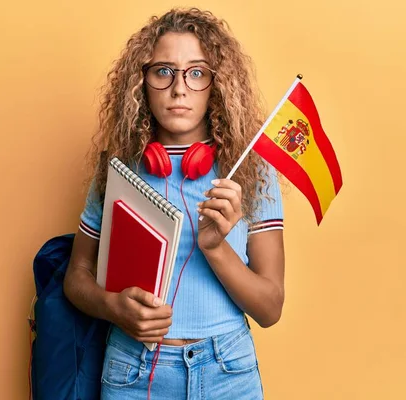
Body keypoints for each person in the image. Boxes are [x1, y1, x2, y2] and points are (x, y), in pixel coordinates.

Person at [63, 8, 285, 400]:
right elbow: (76, 277)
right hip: (133, 370)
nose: (179, 88)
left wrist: (215, 248)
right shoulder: (116, 170)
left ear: (216, 85)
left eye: (197, 73)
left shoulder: (249, 171)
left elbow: (270, 310)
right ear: (142, 81)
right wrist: (113, 306)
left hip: (228, 371)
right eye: (163, 71)